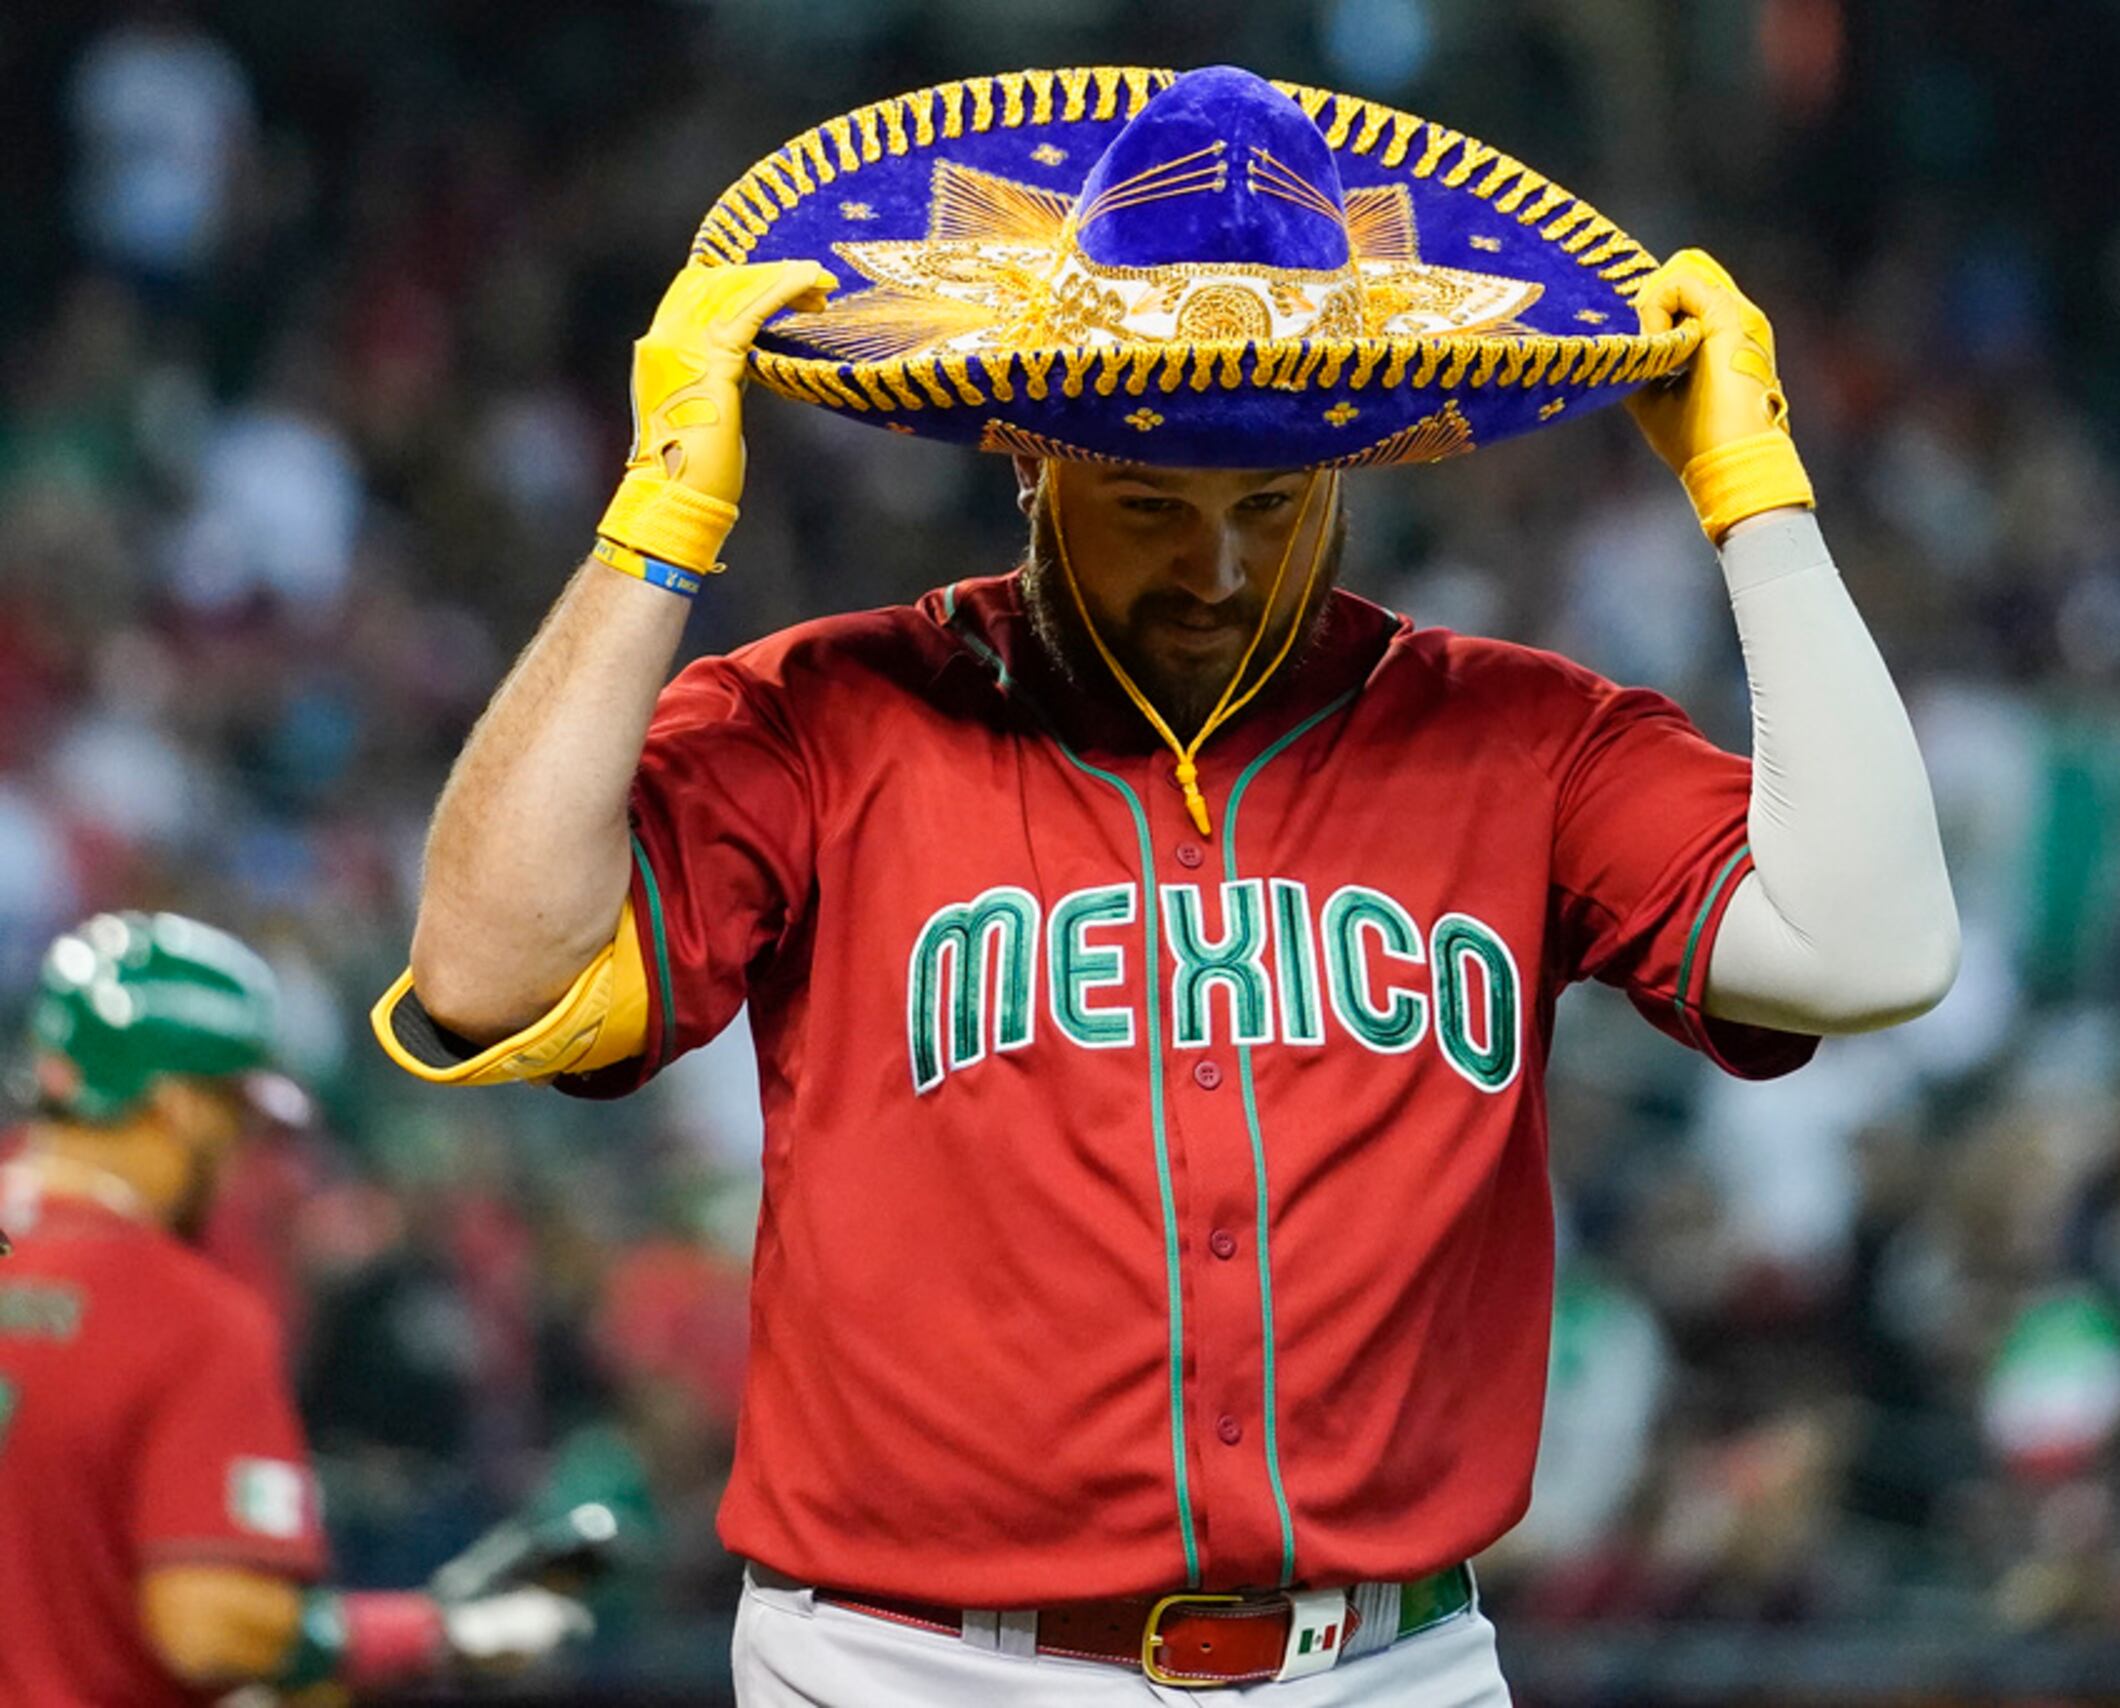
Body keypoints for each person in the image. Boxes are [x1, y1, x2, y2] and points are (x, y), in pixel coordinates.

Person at [376, 63, 1958, 1704]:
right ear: (1029, 459)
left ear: (1345, 470)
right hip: (914, 1667)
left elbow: (1870, 946)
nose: (1213, 568)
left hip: (1389, 1665)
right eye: (1146, 500)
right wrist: (658, 531)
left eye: (1268, 504)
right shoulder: (829, 716)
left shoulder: (1520, 736)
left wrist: (1755, 504)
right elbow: (491, 965)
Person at [0, 911, 592, 1705]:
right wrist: (430, 1631)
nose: (244, 1149)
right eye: (236, 1113)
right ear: (177, 1105)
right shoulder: (187, 1315)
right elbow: (205, 1626)